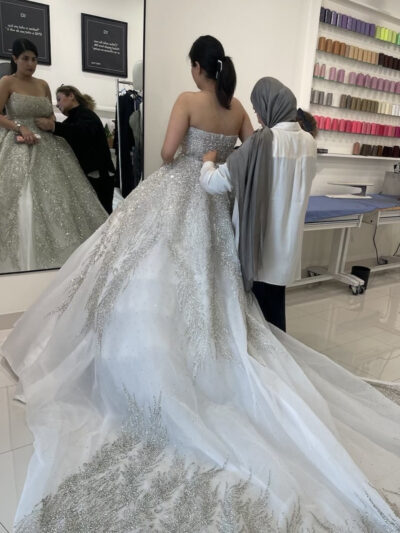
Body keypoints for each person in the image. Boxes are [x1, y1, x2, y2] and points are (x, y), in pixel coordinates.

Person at [1, 36, 400, 532]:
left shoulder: (188, 101)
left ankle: (153, 361)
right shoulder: (236, 112)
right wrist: (219, 157)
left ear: (196, 68)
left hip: (178, 195)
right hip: (215, 208)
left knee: (146, 278)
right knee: (210, 284)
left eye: (191, 67)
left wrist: (194, 158)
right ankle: (204, 353)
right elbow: (254, 152)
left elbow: (167, 153)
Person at [200, 78, 317, 332]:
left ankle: (269, 367)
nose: (258, 117)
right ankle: (281, 360)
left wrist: (208, 162)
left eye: (257, 110)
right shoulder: (309, 141)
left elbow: (213, 183)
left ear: (269, 106)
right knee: (276, 309)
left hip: (261, 245)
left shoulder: (261, 142)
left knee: (260, 317)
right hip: (287, 245)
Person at [0, 39, 107, 273]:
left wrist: (49, 123)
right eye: (26, 58)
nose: (31, 63)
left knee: (61, 199)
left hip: (46, 145)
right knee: (23, 199)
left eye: (35, 59)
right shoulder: (7, 82)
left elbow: (50, 114)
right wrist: (20, 127)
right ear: (15, 59)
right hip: (17, 143)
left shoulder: (43, 85)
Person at [36, 85, 116, 214]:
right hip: (91, 173)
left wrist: (53, 126)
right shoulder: (73, 118)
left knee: (101, 214)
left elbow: (81, 132)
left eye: (59, 99)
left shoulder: (85, 114)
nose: (57, 105)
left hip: (99, 175)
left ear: (71, 95)